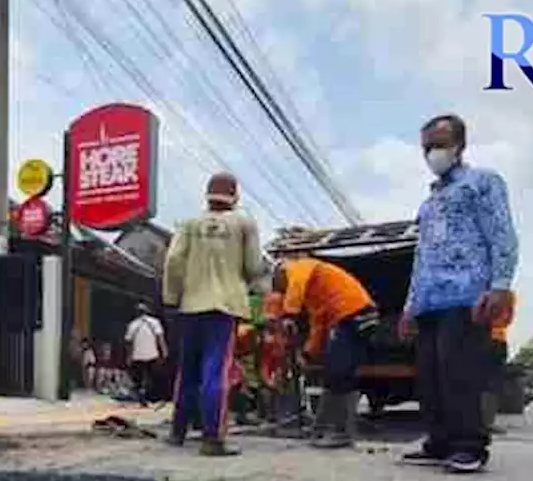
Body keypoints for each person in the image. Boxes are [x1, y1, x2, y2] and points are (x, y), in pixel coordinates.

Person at [400, 113, 518, 473]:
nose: (432, 153)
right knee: (430, 376)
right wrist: (409, 308)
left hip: (468, 295)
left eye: (438, 145)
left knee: (460, 373)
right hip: (429, 301)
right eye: (426, 148)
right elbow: (422, 256)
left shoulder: (482, 182)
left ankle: (469, 446)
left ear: (459, 145)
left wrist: (499, 286)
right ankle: (439, 442)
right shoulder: (430, 201)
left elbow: (502, 234)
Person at [162, 171, 268, 455]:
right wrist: (263, 295)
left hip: (190, 307)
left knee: (187, 372)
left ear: (207, 193)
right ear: (235, 194)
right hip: (223, 308)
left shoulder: (189, 223)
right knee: (216, 371)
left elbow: (173, 260)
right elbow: (254, 268)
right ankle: (212, 439)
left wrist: (171, 299)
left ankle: (177, 433)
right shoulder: (245, 224)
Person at [275, 257, 378, 448]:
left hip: (353, 313)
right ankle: (324, 430)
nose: (282, 289)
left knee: (338, 372)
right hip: (355, 316)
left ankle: (340, 433)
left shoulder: (299, 266)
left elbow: (296, 284)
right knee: (336, 372)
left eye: (281, 285)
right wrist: (308, 354)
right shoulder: (315, 295)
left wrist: (289, 314)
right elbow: (318, 325)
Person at [482, 290, 516, 434]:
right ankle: (485, 422)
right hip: (495, 341)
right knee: (490, 384)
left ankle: (481, 422)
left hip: (487, 340)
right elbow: (507, 319)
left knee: (487, 383)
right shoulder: (507, 294)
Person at [124, 303, 167, 404]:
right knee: (152, 376)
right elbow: (160, 338)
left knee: (139, 378)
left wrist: (129, 356)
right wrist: (164, 351)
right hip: (152, 354)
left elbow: (129, 342)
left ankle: (141, 397)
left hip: (137, 355)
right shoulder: (154, 322)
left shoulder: (132, 325)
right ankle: (151, 396)